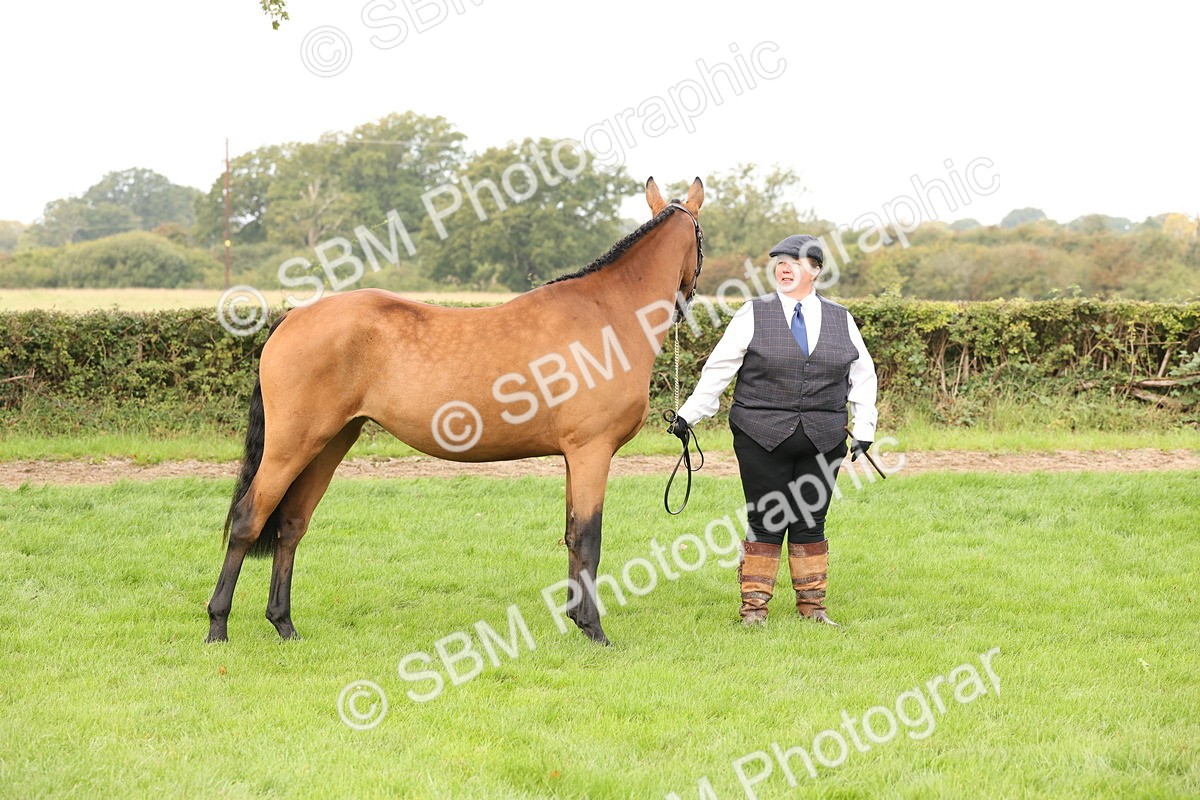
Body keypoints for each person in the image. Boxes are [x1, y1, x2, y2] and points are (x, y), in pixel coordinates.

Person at [669, 234, 878, 627]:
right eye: (780, 261)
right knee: (765, 518)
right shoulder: (752, 314)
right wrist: (688, 415)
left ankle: (813, 608)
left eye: (795, 262)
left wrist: (865, 427)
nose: (784, 267)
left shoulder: (840, 318)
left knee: (811, 520)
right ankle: (754, 611)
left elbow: (863, 375)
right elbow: (718, 370)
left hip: (824, 436)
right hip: (760, 434)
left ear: (815, 271)